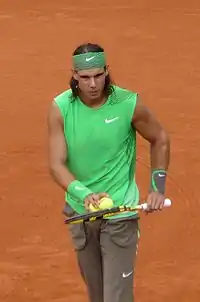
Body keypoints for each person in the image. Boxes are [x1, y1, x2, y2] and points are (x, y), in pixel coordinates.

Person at [47, 43, 170, 302]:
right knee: (98, 295)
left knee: (116, 298)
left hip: (120, 215)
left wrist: (157, 187)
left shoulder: (128, 103)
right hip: (81, 214)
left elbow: (160, 138)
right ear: (74, 75)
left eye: (98, 75)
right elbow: (57, 164)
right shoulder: (60, 108)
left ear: (106, 71)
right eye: (85, 77)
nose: (93, 83)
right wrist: (84, 194)